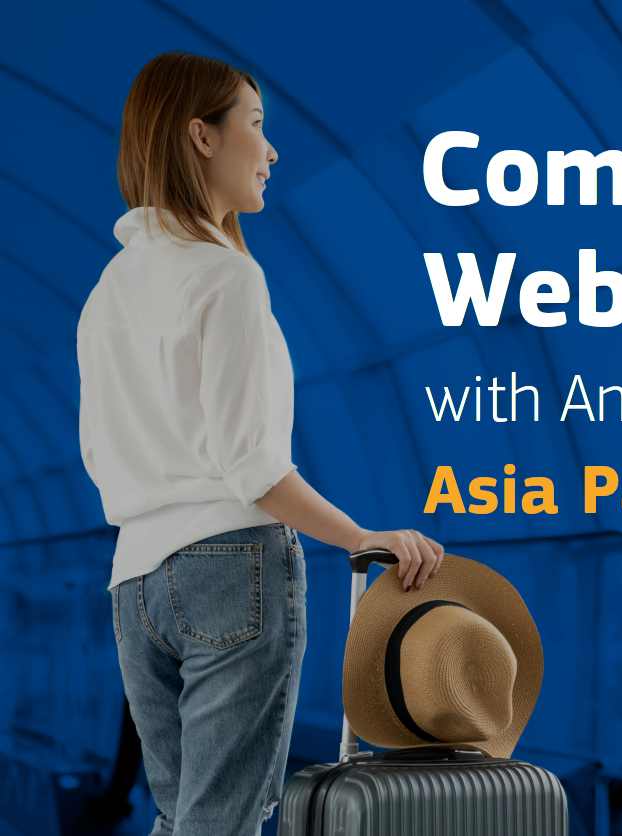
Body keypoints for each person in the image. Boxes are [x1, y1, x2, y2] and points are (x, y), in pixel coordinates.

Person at [76, 51, 444, 836]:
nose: (272, 150)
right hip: (231, 571)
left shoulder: (105, 295)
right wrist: (361, 537)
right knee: (221, 825)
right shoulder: (227, 277)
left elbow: (102, 461)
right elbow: (252, 467)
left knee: (186, 820)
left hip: (133, 583)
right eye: (256, 124)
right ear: (200, 138)